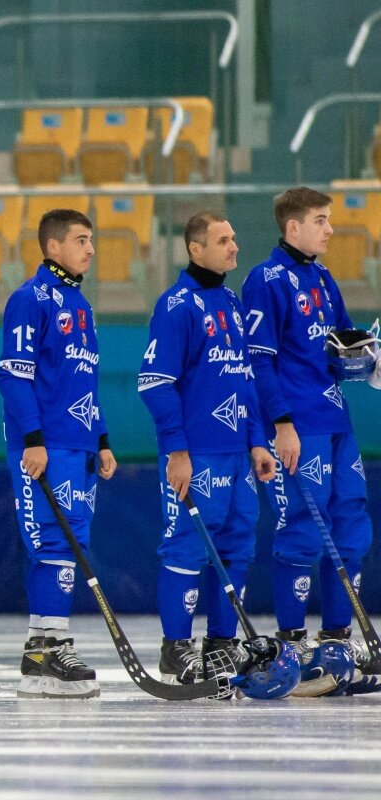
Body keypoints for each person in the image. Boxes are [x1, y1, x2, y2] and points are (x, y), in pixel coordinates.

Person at [242, 187, 378, 674]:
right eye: (321, 219)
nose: (330, 228)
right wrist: (280, 425)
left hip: (336, 420)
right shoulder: (266, 280)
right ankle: (292, 642)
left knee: (352, 524)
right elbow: (259, 359)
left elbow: (341, 343)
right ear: (292, 226)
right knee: (302, 527)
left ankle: (338, 638)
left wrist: (370, 359)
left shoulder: (322, 277)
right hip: (299, 425)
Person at [137, 212, 275, 684]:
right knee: (188, 547)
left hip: (238, 453)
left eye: (234, 237)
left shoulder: (233, 303)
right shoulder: (176, 306)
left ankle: (221, 645)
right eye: (223, 240)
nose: (235, 246)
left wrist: (259, 441)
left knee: (237, 546)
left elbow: (245, 379)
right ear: (196, 249)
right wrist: (176, 450)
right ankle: (177, 650)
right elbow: (155, 383)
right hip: (196, 454)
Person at [0, 208, 117, 700]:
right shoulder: (30, 299)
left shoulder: (80, 304)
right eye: (82, 240)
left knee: (73, 543)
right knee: (53, 544)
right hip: (46, 445)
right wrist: (32, 439)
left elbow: (84, 378)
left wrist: (102, 438)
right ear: (53, 247)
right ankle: (51, 649)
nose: (90, 249)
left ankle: (41, 648)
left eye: (92, 239)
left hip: (79, 442)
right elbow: (13, 375)